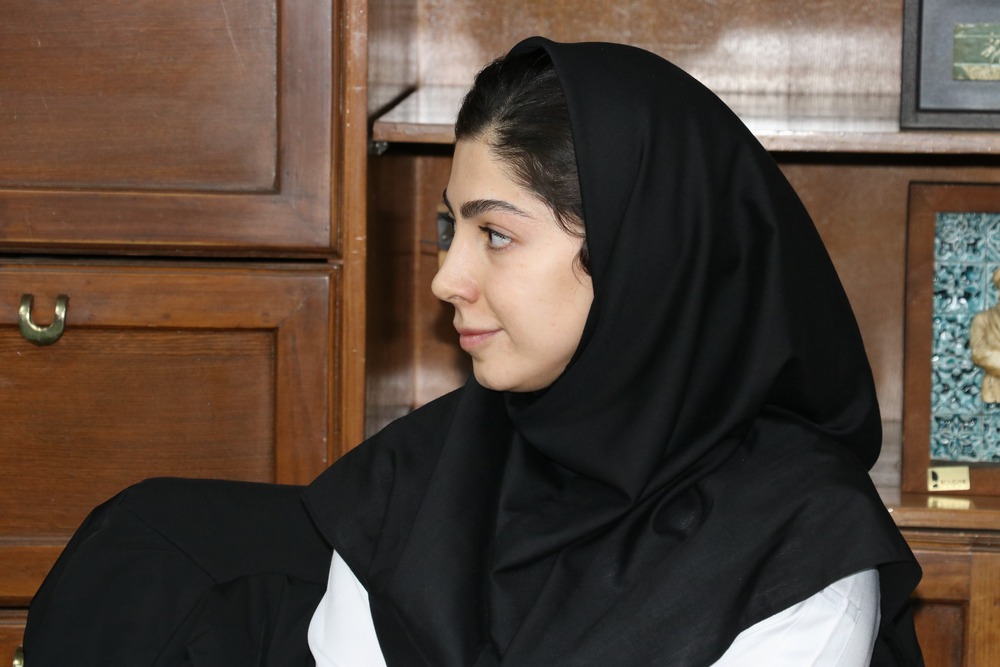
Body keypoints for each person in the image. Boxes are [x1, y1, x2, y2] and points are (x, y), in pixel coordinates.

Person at [23, 37, 923, 666]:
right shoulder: (426, 471)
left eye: (495, 235)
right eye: (450, 228)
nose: (446, 278)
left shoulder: (799, 550)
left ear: (644, 255)